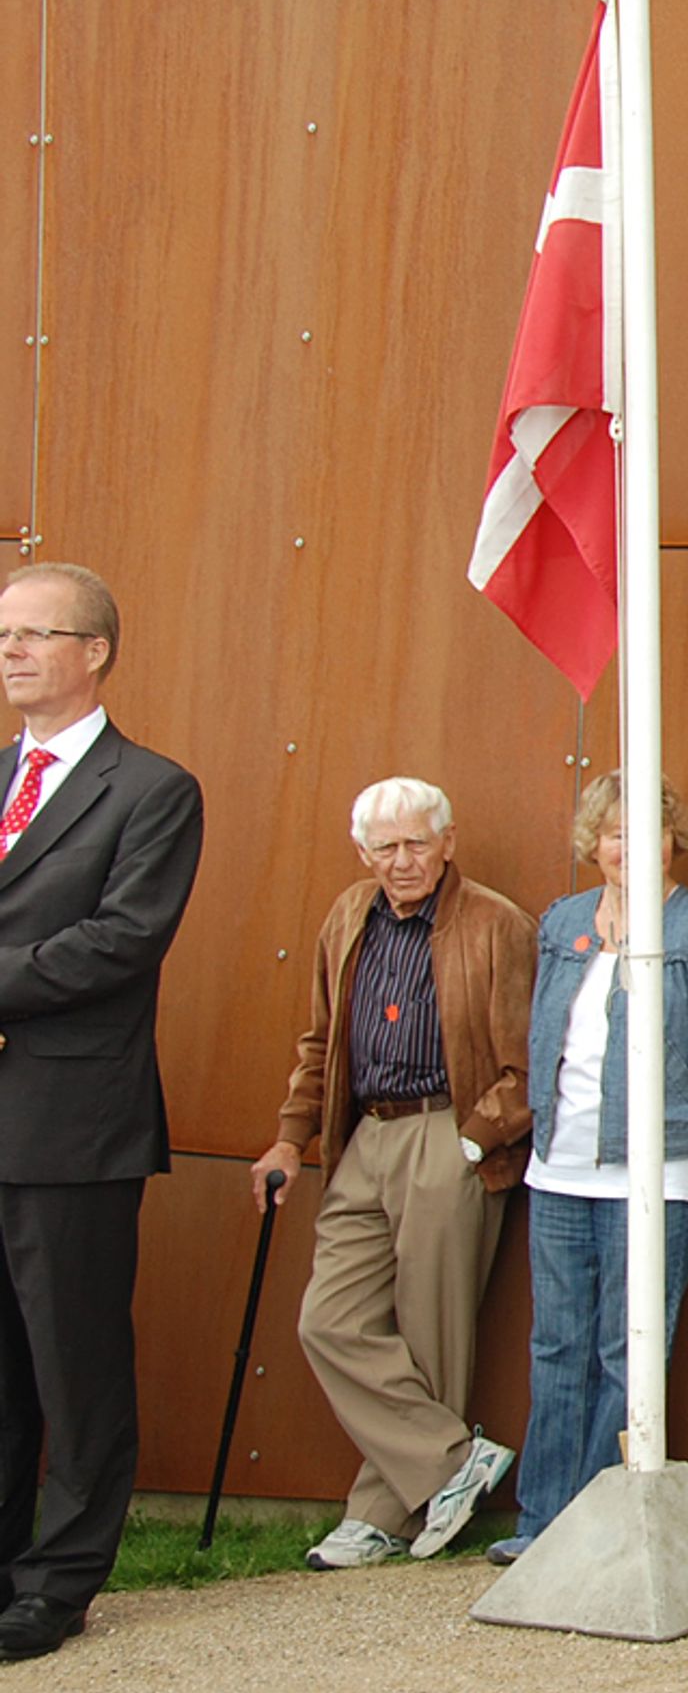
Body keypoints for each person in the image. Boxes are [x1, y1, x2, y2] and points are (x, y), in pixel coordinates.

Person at [490, 770, 688, 1565]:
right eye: (614, 833)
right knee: (556, 1345)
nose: (629, 848)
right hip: (560, 1170)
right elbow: (542, 1033)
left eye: (646, 832)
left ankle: (601, 1529)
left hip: (659, 1178)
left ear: (673, 840)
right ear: (594, 843)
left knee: (630, 1352)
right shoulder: (563, 924)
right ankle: (542, 1525)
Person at [250, 777, 534, 1569]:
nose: (401, 861)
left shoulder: (497, 924)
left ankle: (382, 1516)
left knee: (430, 1330)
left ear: (448, 843)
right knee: (329, 1320)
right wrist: (290, 1139)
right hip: (364, 1136)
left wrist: (475, 1143)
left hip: (448, 1129)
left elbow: (528, 1058)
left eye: (416, 843)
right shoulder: (349, 915)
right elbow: (320, 1043)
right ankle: (452, 1463)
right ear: (362, 851)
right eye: (385, 847)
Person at [0, 564, 203, 1662]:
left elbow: (122, 941)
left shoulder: (152, 790)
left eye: (38, 633)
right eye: (5, 634)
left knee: (72, 1367)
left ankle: (59, 1582)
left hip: (73, 1123)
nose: (14, 651)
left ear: (96, 652)